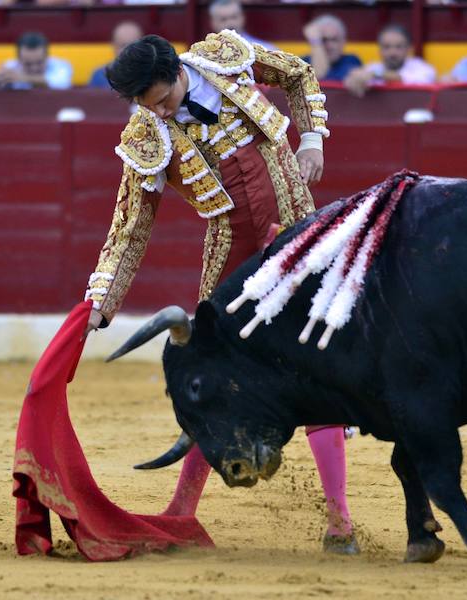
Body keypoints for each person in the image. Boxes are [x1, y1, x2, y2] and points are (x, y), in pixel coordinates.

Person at [82, 31, 359, 553]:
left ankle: (340, 521)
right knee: (208, 374)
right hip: (230, 248)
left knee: (318, 363)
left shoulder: (225, 59)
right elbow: (130, 229)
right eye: (148, 107)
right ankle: (181, 510)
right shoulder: (147, 133)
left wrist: (312, 137)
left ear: (177, 70)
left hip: (296, 229)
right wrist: (101, 304)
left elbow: (298, 73)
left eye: (163, 100)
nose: (160, 114)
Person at [343, 24, 436, 97]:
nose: (392, 53)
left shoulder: (423, 68)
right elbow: (354, 79)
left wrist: (375, 75)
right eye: (387, 47)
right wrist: (354, 78)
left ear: (409, 49)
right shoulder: (373, 68)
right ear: (380, 50)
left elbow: (404, 79)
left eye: (399, 47)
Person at [0, 31, 73, 90]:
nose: (34, 68)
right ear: (18, 60)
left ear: (47, 57)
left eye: (39, 63)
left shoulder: (62, 66)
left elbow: (61, 83)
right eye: (28, 64)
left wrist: (24, 78)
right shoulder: (10, 66)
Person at [302, 14, 362, 82]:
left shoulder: (351, 61)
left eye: (334, 40)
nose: (329, 45)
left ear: (343, 42)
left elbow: (320, 76)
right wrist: (316, 43)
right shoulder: (303, 62)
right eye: (323, 40)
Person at [88, 21, 144, 89]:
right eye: (123, 45)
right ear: (114, 46)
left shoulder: (152, 75)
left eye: (133, 45)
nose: (128, 50)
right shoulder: (100, 75)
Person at [208, 0, 275, 50]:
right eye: (223, 19)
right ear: (213, 23)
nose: (230, 23)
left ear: (243, 17)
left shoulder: (267, 50)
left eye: (234, 17)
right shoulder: (203, 56)